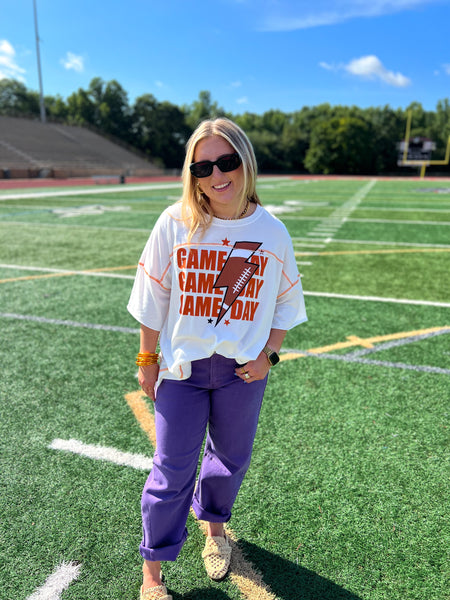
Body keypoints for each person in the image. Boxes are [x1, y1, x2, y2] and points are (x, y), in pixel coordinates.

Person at [127, 117, 307, 600]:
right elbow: (152, 294)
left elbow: (288, 303)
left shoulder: (272, 232)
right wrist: (148, 357)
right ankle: (153, 575)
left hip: (240, 373)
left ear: (245, 162)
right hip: (182, 370)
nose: (216, 175)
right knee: (171, 467)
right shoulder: (175, 222)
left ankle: (215, 530)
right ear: (192, 173)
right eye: (203, 166)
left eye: (226, 161)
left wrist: (270, 354)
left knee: (230, 460)